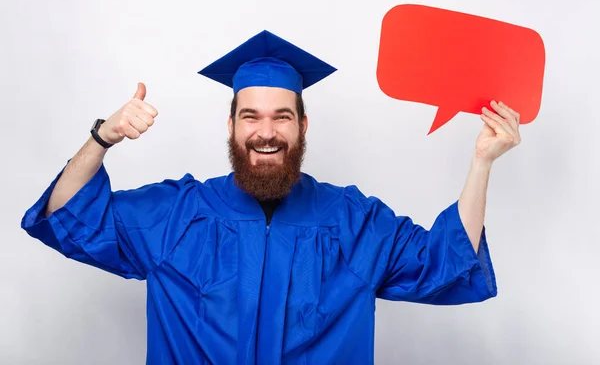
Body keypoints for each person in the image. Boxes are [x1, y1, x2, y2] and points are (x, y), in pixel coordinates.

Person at [21, 30, 521, 364]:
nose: (267, 132)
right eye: (251, 116)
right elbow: (67, 213)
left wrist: (482, 163)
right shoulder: (177, 214)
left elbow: (446, 261)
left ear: (301, 126)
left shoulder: (353, 222)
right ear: (232, 125)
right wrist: (102, 137)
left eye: (282, 116)